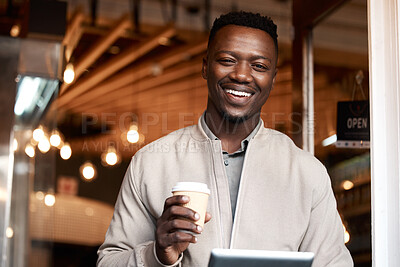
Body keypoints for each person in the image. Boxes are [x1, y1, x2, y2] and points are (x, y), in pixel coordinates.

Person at [97, 11, 353, 267]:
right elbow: (109, 263)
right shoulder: (151, 163)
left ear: (273, 79)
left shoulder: (307, 174)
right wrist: (158, 254)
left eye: (259, 66)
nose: (241, 75)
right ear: (205, 66)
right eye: (228, 60)